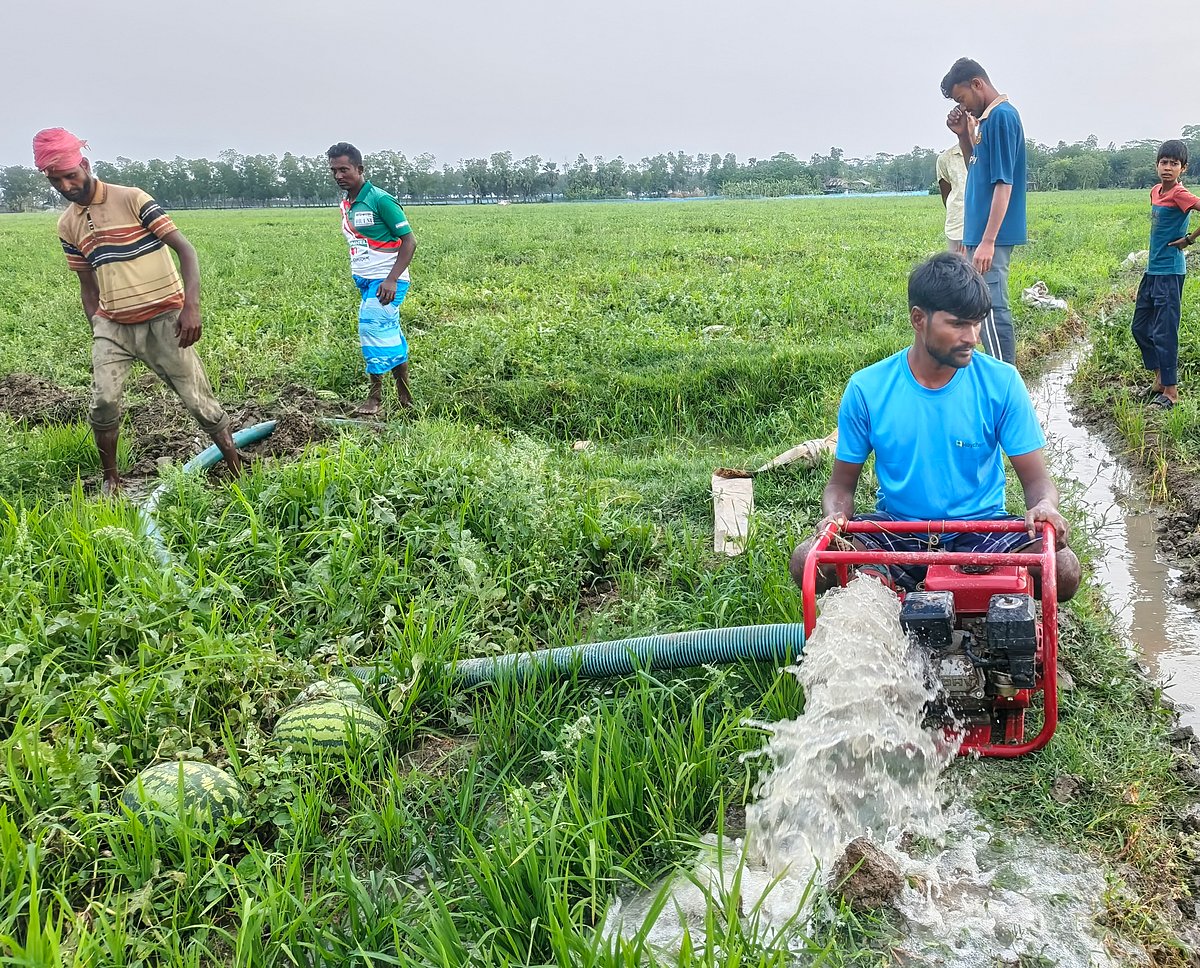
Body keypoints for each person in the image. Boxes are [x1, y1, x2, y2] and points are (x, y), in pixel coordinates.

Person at [788, 252, 1080, 601]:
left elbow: (1036, 481)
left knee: (1062, 568)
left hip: (981, 530)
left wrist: (1046, 507)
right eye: (958, 324)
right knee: (808, 559)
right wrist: (835, 517)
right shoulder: (868, 388)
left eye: (977, 323)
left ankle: (973, 602)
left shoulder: (1001, 382)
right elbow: (840, 485)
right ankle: (891, 585)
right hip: (897, 529)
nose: (972, 336)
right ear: (918, 319)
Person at [34, 127, 240, 495]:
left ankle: (237, 466)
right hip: (113, 325)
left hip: (165, 319)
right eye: (56, 180)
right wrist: (98, 328)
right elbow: (87, 286)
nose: (66, 186)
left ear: (85, 164)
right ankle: (112, 479)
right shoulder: (67, 224)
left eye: (71, 175)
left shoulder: (131, 198)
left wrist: (190, 307)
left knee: (197, 398)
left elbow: (186, 251)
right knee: (103, 401)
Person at [942, 58, 1026, 366]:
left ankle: (1006, 379)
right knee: (977, 305)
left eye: (962, 99)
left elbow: (1004, 185)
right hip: (978, 234)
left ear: (977, 84)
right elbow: (976, 169)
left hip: (994, 235)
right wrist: (964, 135)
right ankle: (996, 373)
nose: (963, 107)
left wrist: (988, 240)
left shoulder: (1002, 117)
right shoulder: (985, 123)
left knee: (991, 306)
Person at [327, 142, 417, 416]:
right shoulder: (347, 203)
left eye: (344, 169)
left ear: (360, 169)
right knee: (390, 333)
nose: (339, 175)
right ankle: (405, 395)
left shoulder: (380, 199)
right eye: (334, 170)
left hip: (387, 282)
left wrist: (391, 279)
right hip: (365, 281)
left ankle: (374, 398)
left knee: (371, 332)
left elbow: (409, 241)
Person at [1131, 140, 1200, 411]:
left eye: (1174, 163)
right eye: (1164, 162)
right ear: (1157, 165)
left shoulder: (1181, 194)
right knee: (1140, 327)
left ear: (1183, 168)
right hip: (1152, 270)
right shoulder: (1155, 191)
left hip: (1170, 273)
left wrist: (1189, 239)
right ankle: (1159, 379)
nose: (1167, 168)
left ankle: (1171, 392)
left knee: (1165, 332)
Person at [936, 138, 969, 253]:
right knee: (958, 268)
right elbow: (946, 196)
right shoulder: (946, 158)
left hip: (987, 226)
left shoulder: (988, 151)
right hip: (957, 227)